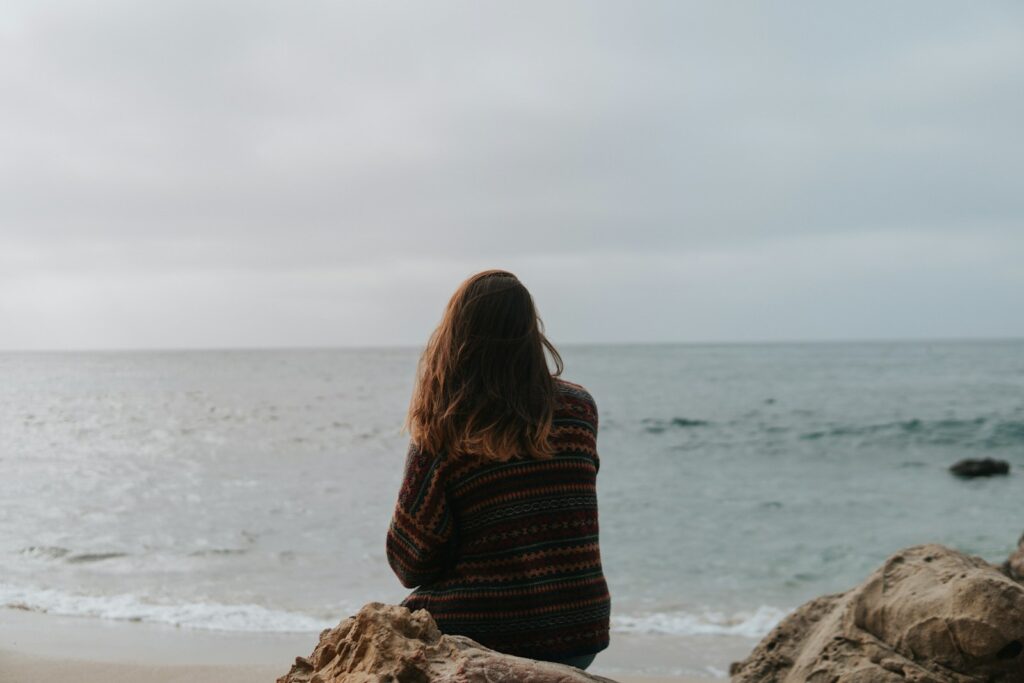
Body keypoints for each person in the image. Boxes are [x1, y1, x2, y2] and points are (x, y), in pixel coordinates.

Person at [385, 269, 610, 670]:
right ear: (529, 330)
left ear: (456, 336)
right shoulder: (580, 409)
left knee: (387, 631)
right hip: (579, 630)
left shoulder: (446, 425)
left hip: (489, 631)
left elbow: (409, 562)